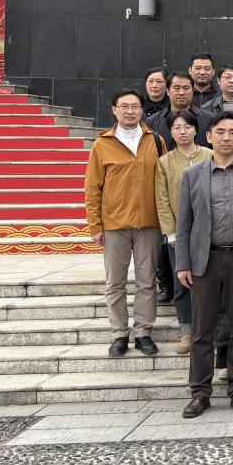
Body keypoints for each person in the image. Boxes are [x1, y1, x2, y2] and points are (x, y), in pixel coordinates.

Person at [175, 112, 233, 418]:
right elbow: (184, 223)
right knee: (202, 330)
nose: (227, 137)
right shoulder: (193, 174)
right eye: (221, 132)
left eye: (232, 132)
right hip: (205, 260)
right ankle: (199, 392)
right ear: (209, 136)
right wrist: (183, 263)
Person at [85, 89, 166, 357]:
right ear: (114, 110)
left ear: (142, 110)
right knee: (115, 282)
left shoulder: (156, 141)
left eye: (135, 106)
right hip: (114, 224)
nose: (130, 111)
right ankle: (119, 333)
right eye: (124, 106)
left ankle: (143, 332)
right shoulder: (102, 144)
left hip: (149, 223)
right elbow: (92, 188)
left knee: (147, 280)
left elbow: (164, 183)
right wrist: (95, 225)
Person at [154, 110, 213, 354]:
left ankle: (210, 329)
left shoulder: (210, 155)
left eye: (187, 126)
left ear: (196, 130)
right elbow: (162, 200)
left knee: (210, 282)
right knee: (182, 284)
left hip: (211, 232)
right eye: (177, 127)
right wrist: (171, 233)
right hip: (180, 235)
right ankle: (187, 332)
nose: (183, 131)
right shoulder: (164, 162)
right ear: (170, 132)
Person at [147, 73, 212, 152]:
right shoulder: (152, 121)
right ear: (168, 91)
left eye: (186, 88)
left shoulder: (209, 119)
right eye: (177, 88)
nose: (181, 93)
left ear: (192, 91)